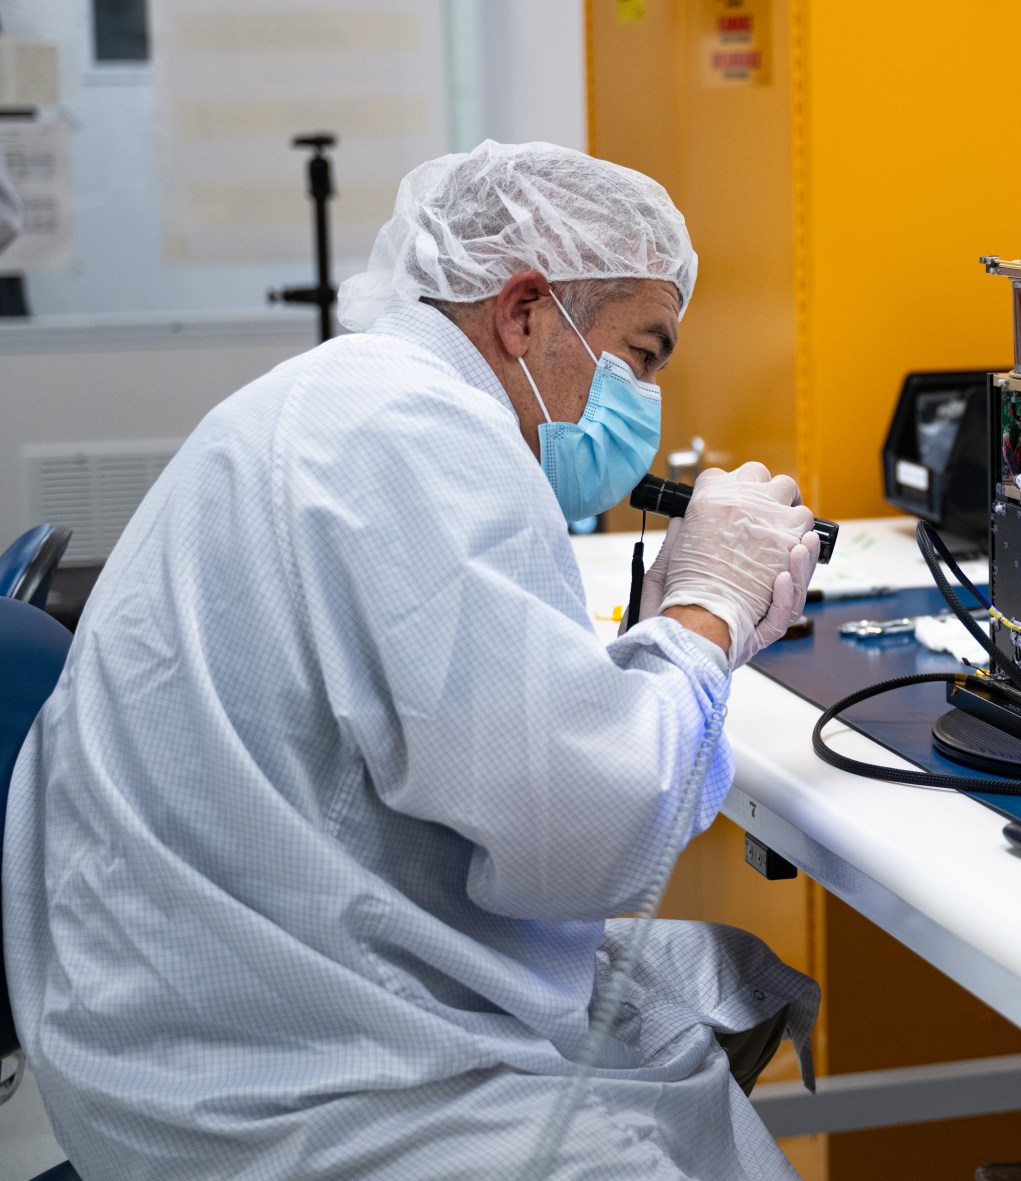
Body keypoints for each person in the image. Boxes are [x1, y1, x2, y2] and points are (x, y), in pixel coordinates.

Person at [3, 141, 822, 1178]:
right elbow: (592, 835)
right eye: (640, 354)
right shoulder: (415, 435)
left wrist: (664, 642)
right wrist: (707, 616)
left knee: (717, 983)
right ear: (524, 311)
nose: (638, 398)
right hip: (285, 1084)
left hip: (211, 993)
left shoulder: (356, 404)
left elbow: (460, 724)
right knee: (682, 1060)